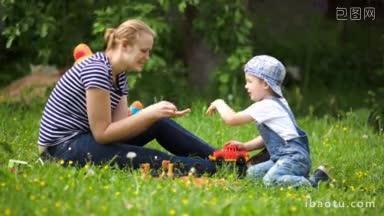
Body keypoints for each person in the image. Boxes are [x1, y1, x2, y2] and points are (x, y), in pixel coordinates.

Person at [37, 19, 216, 175]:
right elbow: (102, 134)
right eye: (143, 51)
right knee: (157, 159)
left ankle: (225, 158)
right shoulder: (97, 69)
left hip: (86, 138)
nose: (147, 57)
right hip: (61, 148)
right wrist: (148, 113)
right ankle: (222, 168)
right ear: (124, 45)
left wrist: (152, 116)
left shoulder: (119, 75)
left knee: (158, 122)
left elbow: (120, 128)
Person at [206, 55, 330, 187]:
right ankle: (292, 178)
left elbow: (231, 119)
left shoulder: (267, 105)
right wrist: (245, 146)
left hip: (293, 158)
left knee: (270, 181)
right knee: (253, 174)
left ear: (265, 84)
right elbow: (272, 137)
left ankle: (313, 182)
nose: (246, 86)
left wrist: (219, 102)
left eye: (249, 81)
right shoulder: (276, 102)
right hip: (283, 159)